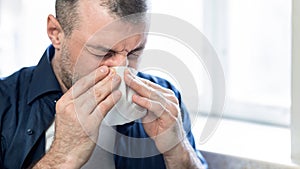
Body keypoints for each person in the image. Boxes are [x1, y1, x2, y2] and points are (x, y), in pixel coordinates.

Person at [0, 0, 208, 168]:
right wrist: (62, 157)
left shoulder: (165, 98)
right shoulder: (4, 103)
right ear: (56, 33)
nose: (122, 69)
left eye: (134, 52)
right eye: (104, 52)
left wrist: (179, 153)